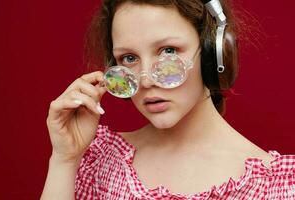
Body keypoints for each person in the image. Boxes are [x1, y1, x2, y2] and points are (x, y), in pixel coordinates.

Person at [40, 0, 295, 199]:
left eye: (168, 51)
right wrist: (64, 159)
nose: (146, 80)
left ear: (212, 55)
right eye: (129, 58)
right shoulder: (96, 161)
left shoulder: (279, 186)